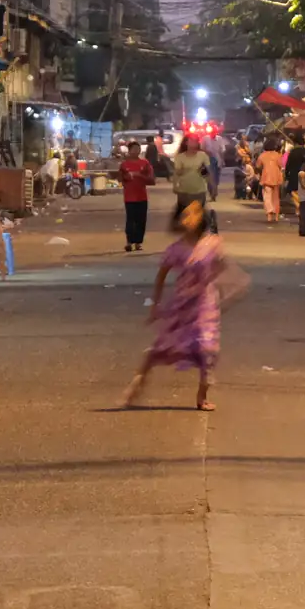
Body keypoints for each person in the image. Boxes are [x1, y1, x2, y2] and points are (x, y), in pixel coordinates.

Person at [123, 198, 227, 411]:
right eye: (186, 215)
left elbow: (220, 265)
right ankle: (138, 382)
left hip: (205, 306)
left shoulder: (213, 243)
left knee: (208, 349)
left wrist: (219, 286)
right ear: (179, 220)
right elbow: (161, 276)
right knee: (162, 348)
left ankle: (202, 395)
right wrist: (155, 303)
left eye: (195, 214)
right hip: (182, 306)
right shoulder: (176, 249)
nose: (190, 219)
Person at [117, 141, 154, 252]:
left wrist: (140, 176)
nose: (136, 151)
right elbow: (119, 179)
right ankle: (129, 242)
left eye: (138, 149)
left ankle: (138, 243)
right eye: (133, 149)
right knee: (130, 220)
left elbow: (152, 180)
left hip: (142, 196)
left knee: (141, 220)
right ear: (129, 151)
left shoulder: (145, 163)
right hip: (129, 197)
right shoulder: (124, 165)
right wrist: (126, 178)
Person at [169, 134, 214, 227]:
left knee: (197, 215)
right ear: (186, 143)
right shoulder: (180, 157)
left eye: (196, 141)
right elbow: (177, 173)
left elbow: (206, 172)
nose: (194, 143)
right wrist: (175, 186)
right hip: (184, 190)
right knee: (186, 214)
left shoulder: (202, 156)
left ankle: (195, 233)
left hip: (199, 189)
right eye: (191, 141)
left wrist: (212, 186)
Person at [257, 136, 287, 224]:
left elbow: (258, 166)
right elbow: (281, 165)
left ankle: (269, 214)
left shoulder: (262, 155)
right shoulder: (277, 155)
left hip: (266, 177)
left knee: (267, 196)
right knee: (276, 197)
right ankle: (277, 216)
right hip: (276, 177)